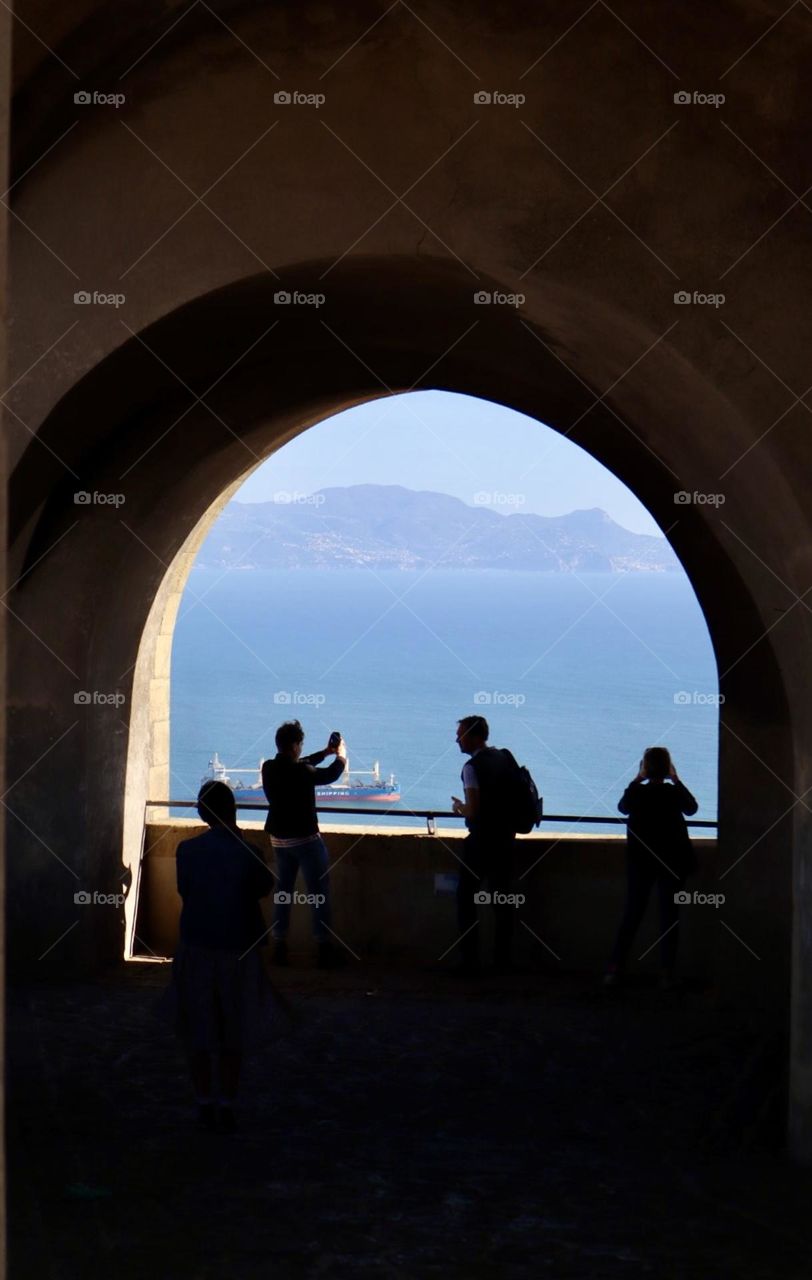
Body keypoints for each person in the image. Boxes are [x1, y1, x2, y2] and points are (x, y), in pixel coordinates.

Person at [166, 779, 276, 1133]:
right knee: (232, 1030)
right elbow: (264, 886)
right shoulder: (249, 853)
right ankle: (226, 1103)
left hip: (195, 947)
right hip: (236, 950)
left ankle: (203, 1101)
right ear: (233, 811)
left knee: (199, 1028)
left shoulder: (186, 851)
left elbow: (185, 890)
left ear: (201, 813)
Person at [604, 746, 698, 990]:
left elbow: (622, 807)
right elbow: (692, 808)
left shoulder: (636, 794)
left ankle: (614, 970)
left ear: (645, 767)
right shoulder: (672, 793)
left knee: (632, 915)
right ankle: (666, 974)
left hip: (641, 862)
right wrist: (676, 779)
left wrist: (637, 778)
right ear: (668, 768)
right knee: (669, 918)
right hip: (672, 863)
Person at [262, 720, 347, 968]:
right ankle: (323, 949)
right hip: (306, 841)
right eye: (300, 745)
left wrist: (325, 752)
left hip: (279, 841)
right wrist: (340, 758)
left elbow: (300, 765)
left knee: (283, 893)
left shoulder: (268, 768)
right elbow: (329, 775)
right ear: (296, 746)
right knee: (318, 895)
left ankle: (279, 947)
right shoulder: (302, 772)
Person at [451, 715, 519, 975]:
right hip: (505, 839)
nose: (457, 739)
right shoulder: (503, 758)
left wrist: (459, 807)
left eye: (461, 735)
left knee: (465, 899)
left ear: (473, 736)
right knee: (502, 900)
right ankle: (502, 961)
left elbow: (474, 810)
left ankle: (469, 961)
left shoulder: (471, 767)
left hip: (481, 842)